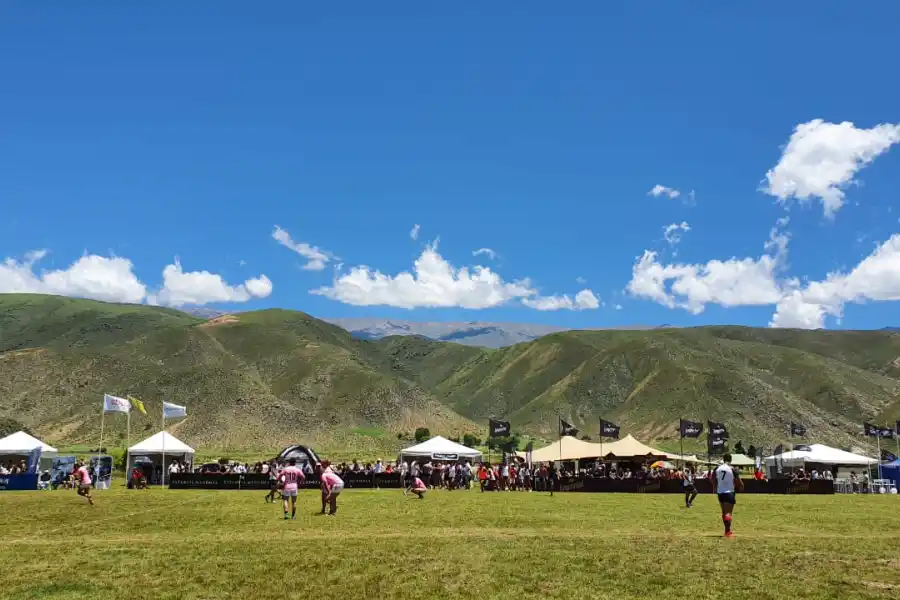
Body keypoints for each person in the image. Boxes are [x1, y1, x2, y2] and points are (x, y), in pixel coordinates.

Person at [713, 454, 743, 538]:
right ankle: (728, 531)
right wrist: (741, 486)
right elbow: (739, 481)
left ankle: (727, 531)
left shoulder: (717, 468)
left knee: (724, 512)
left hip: (720, 492)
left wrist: (715, 487)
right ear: (730, 460)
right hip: (729, 492)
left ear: (723, 459)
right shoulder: (732, 469)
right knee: (728, 513)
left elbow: (712, 479)